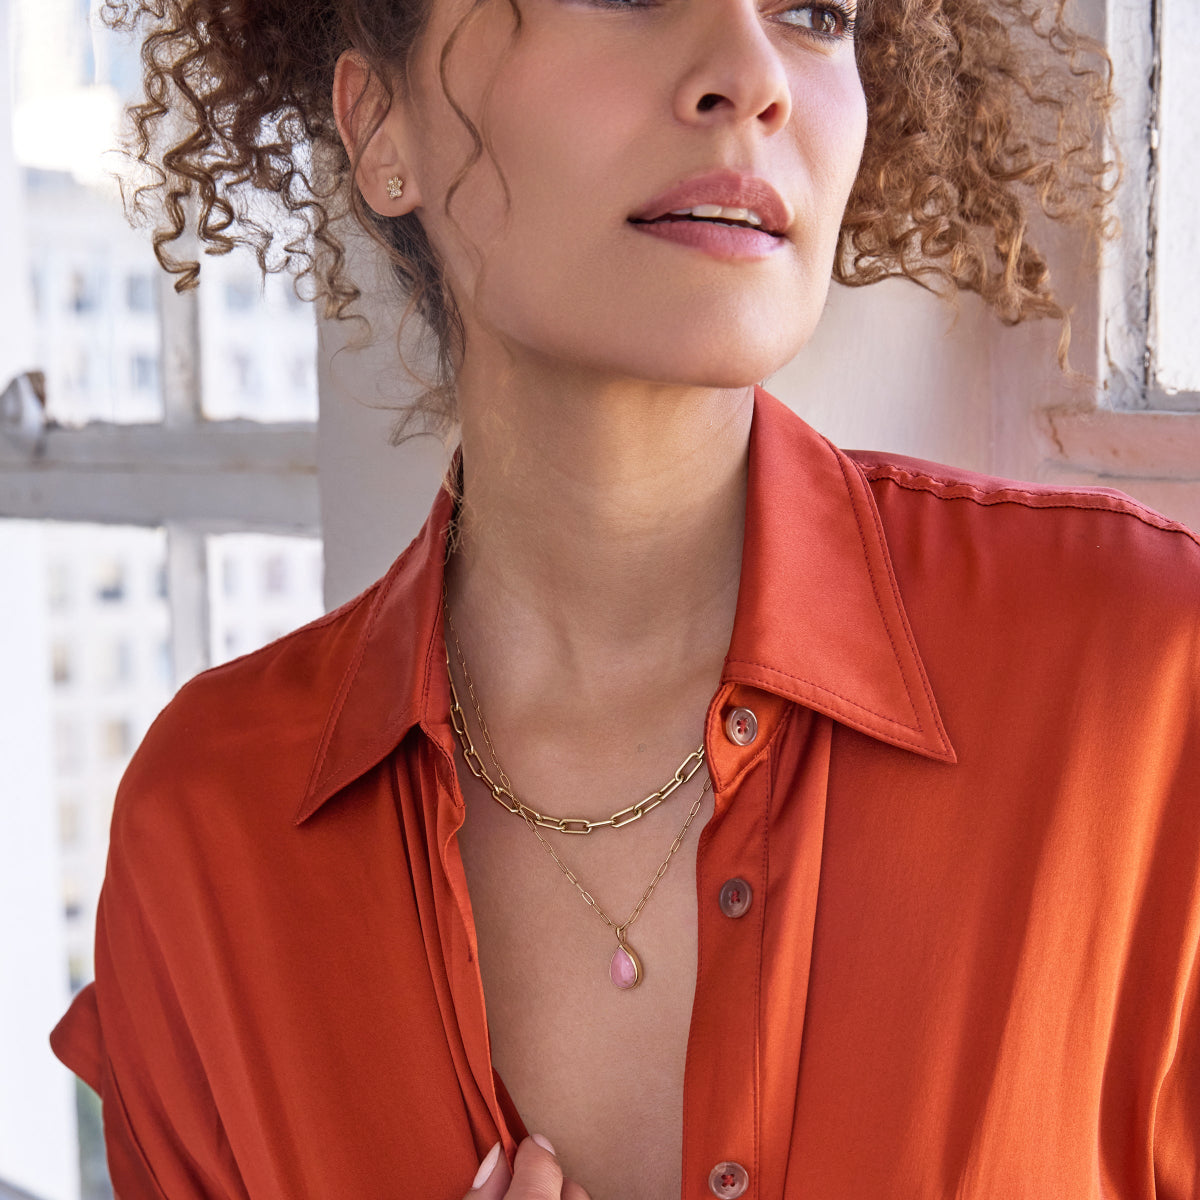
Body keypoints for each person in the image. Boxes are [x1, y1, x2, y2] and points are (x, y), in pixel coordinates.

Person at [47, 0, 1199, 1196]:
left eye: (817, 12)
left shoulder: (1146, 684)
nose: (755, 76)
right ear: (380, 124)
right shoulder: (212, 834)